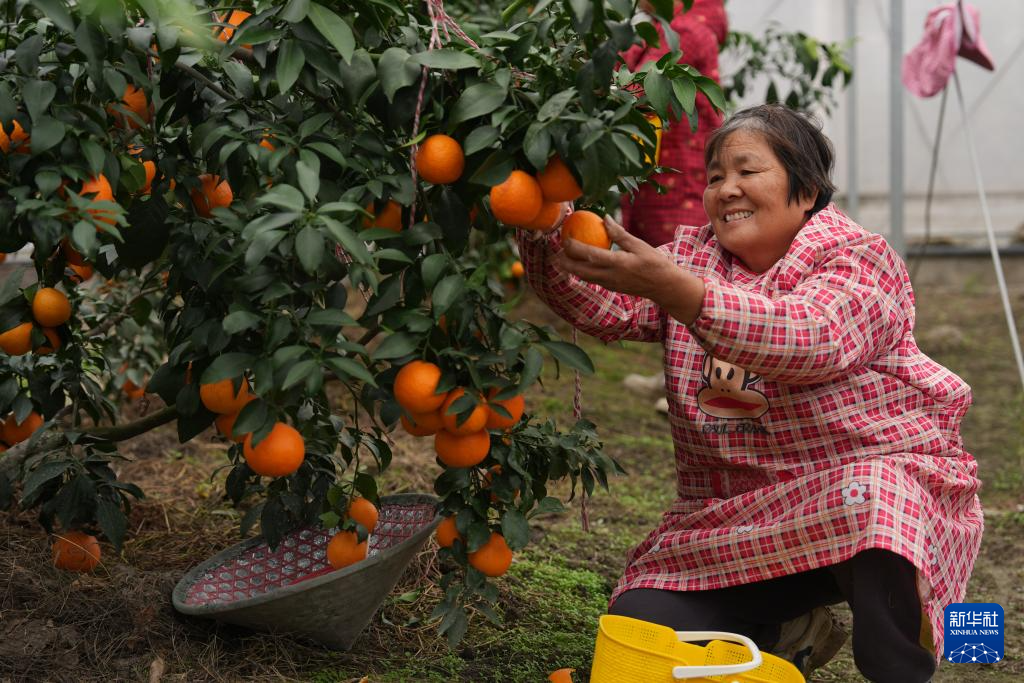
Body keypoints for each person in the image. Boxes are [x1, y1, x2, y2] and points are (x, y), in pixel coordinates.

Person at [516, 104, 982, 682]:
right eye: (715, 176)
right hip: (735, 515)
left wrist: (686, 296)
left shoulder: (859, 258)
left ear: (805, 191)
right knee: (644, 620)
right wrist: (543, 219)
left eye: (746, 170)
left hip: (858, 495)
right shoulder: (691, 260)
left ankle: (901, 669)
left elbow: (812, 339)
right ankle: (787, 633)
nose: (726, 189)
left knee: (878, 500)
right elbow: (602, 304)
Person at [619, 0, 728, 413]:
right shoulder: (666, 28)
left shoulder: (686, 31)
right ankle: (672, 374)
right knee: (667, 270)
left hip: (682, 173)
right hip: (665, 171)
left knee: (686, 273)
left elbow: (640, 88)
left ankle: (695, 385)